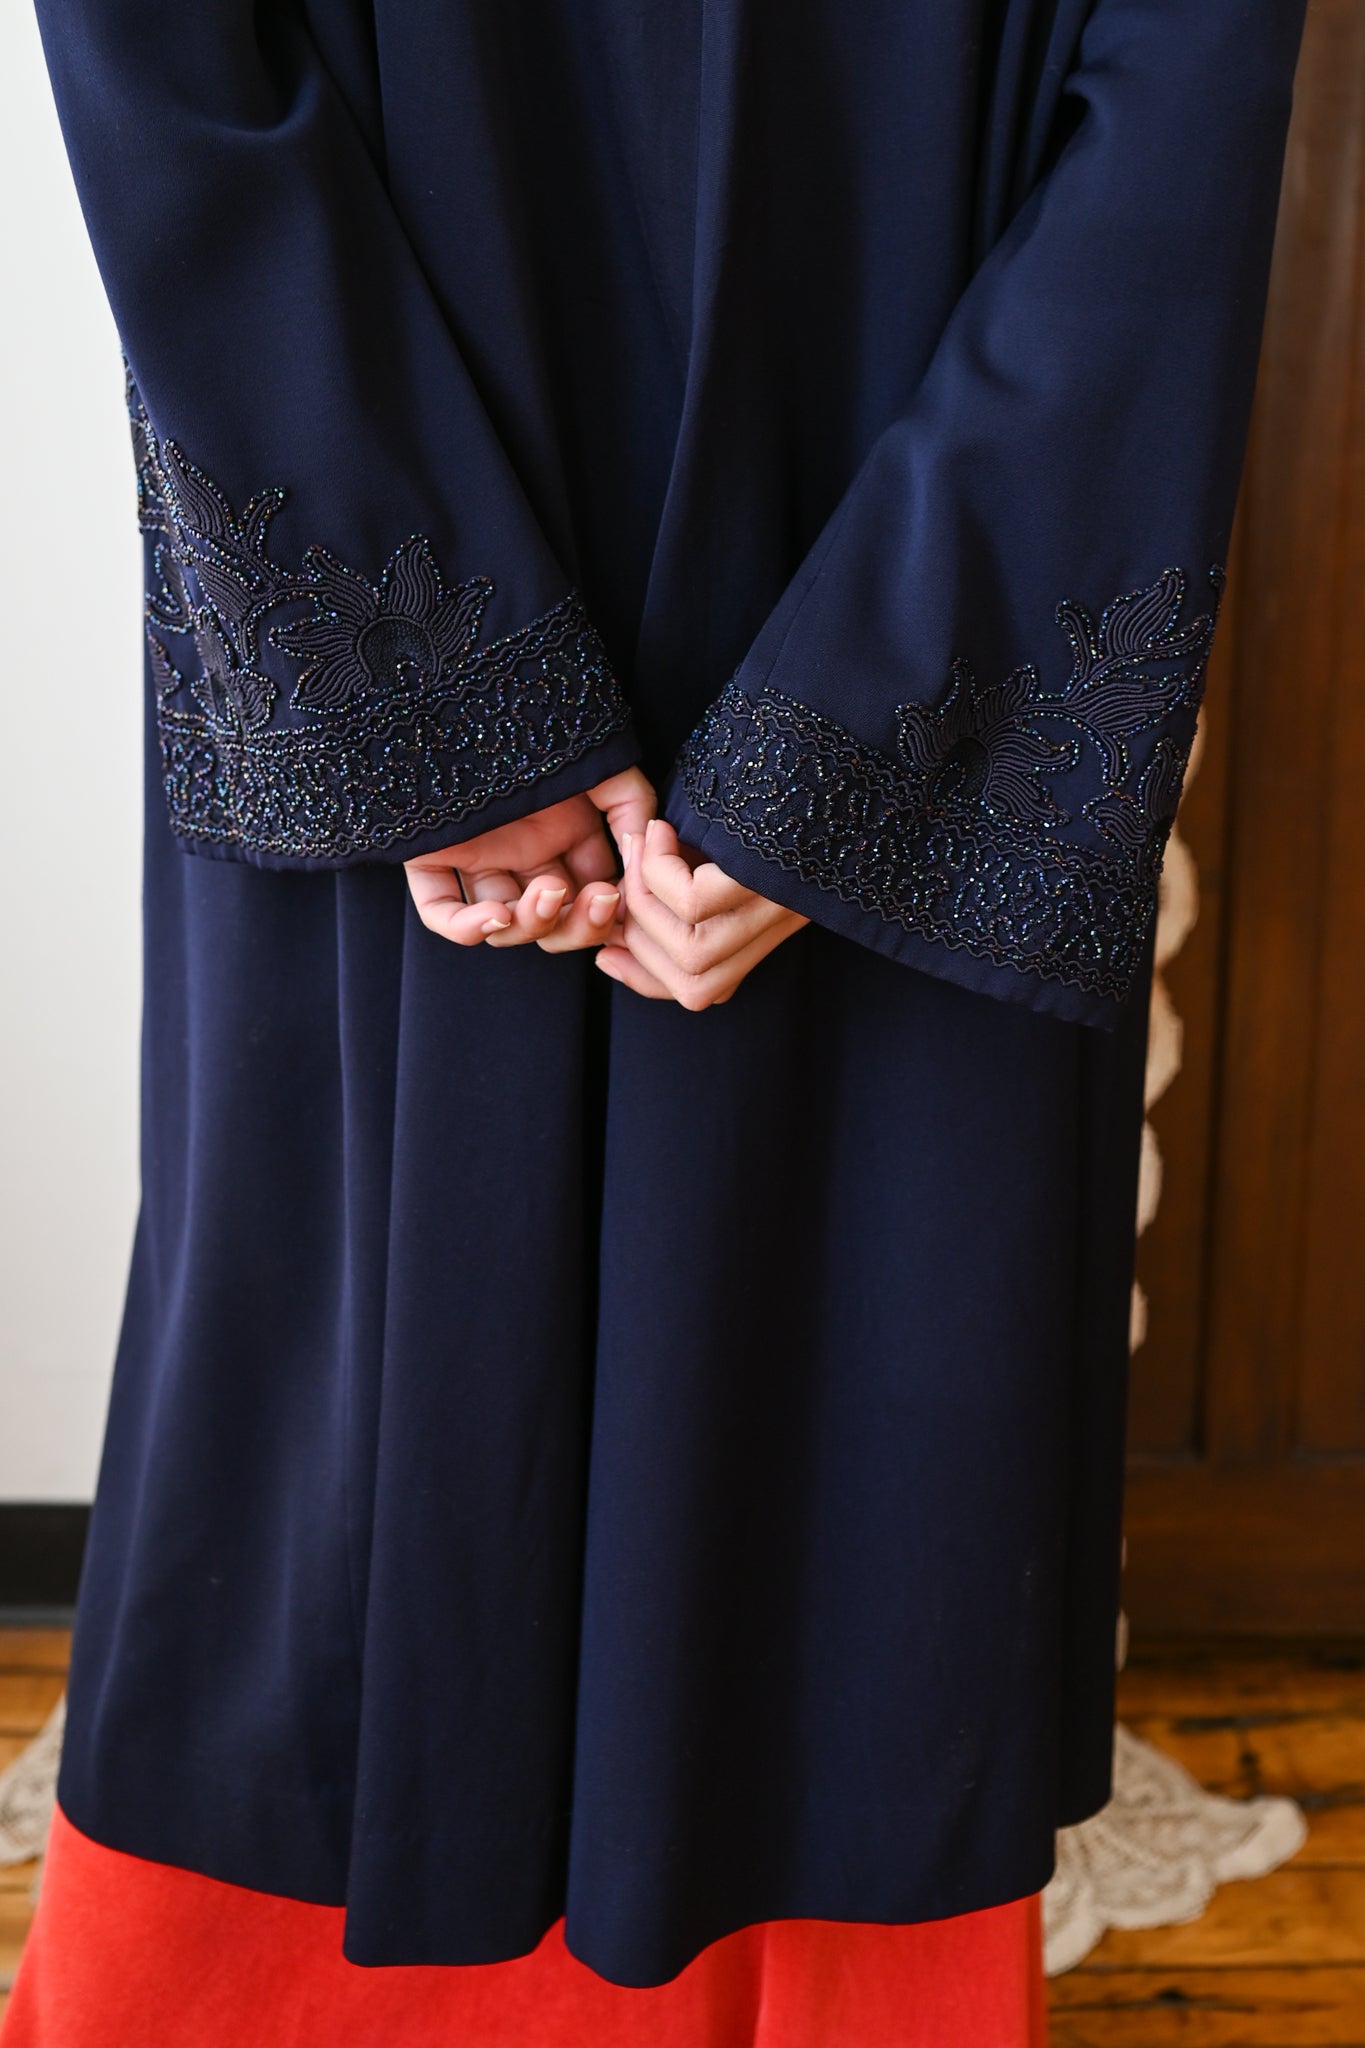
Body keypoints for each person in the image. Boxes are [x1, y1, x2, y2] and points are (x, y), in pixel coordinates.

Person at [4, 0, 1305, 2040]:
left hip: (502, 465)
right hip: (568, 446)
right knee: (382, 1385)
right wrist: (823, 728)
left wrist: (497, 702)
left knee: (819, 1388)